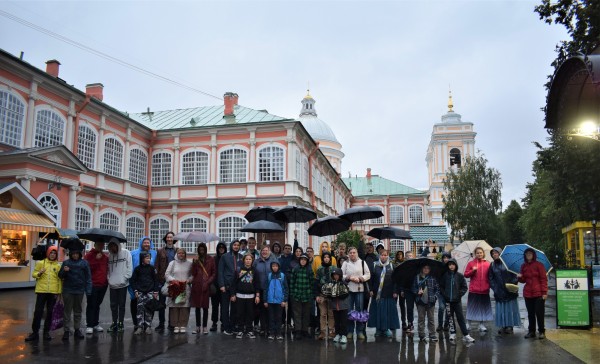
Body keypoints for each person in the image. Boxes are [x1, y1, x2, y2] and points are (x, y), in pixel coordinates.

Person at [25, 245, 62, 342]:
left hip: (53, 292)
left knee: (50, 312)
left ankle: (46, 332)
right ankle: (34, 333)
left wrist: (59, 293)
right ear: (48, 253)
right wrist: (39, 273)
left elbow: (59, 280)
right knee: (38, 312)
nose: (53, 255)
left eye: (54, 253)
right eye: (51, 253)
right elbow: (34, 274)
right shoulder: (41, 263)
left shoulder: (58, 266)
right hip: (41, 291)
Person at [58, 238, 92, 341]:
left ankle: (77, 329)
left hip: (79, 290)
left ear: (79, 254)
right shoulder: (66, 263)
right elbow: (60, 276)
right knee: (67, 311)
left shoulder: (84, 263)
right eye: (73, 253)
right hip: (68, 290)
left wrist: (88, 290)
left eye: (77, 253)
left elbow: (88, 278)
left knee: (78, 311)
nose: (75, 255)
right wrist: (64, 271)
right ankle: (66, 331)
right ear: (71, 254)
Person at [439, 258, 475, 343]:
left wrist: (459, 294)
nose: (451, 266)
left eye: (453, 264)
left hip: (457, 301)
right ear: (448, 266)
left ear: (456, 265)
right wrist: (445, 294)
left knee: (460, 318)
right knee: (450, 318)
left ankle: (466, 334)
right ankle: (453, 332)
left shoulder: (459, 276)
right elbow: (441, 286)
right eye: (449, 265)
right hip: (448, 301)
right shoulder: (445, 276)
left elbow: (464, 287)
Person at [367, 249, 400, 337]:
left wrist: (395, 291)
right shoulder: (374, 265)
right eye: (382, 255)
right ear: (379, 256)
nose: (384, 257)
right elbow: (370, 279)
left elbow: (396, 280)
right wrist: (370, 290)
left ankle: (386, 329)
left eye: (385, 255)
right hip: (377, 294)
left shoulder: (392, 266)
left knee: (387, 313)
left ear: (388, 256)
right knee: (378, 312)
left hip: (389, 294)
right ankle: (378, 329)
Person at [488, 247, 521, 335]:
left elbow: (514, 275)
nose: (494, 254)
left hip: (509, 290)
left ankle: (510, 326)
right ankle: (503, 326)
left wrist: (511, 284)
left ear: (500, 253)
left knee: (509, 308)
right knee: (501, 309)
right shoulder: (491, 265)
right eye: (493, 253)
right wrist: (495, 288)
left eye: (496, 253)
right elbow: (490, 278)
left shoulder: (508, 263)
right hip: (498, 291)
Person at [518, 247, 548, 340]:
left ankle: (542, 331)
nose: (528, 255)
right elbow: (523, 281)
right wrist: (520, 277)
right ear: (525, 256)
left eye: (530, 254)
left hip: (538, 293)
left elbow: (543, 279)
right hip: (528, 293)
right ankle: (531, 331)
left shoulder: (539, 265)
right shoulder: (523, 266)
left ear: (533, 255)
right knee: (530, 313)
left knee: (539, 313)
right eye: (527, 254)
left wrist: (544, 292)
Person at [341, 246, 370, 340]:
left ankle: (359, 331)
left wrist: (361, 278)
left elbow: (368, 274)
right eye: (351, 253)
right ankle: (350, 331)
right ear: (348, 254)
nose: (352, 254)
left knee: (359, 310)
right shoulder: (345, 263)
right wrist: (349, 277)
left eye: (354, 252)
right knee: (349, 311)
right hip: (349, 290)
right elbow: (341, 275)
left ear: (357, 253)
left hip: (359, 289)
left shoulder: (362, 262)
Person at [129, 236, 157, 331]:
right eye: (144, 242)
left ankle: (148, 325)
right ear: (141, 243)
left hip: (149, 285)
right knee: (136, 305)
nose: (146, 244)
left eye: (148, 242)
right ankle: (137, 324)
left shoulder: (154, 253)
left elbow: (155, 270)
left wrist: (155, 289)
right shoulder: (133, 253)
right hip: (137, 284)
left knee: (149, 306)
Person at [231, 253, 260, 339]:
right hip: (239, 295)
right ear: (244, 260)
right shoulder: (238, 270)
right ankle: (240, 330)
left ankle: (249, 330)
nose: (248, 261)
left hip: (251, 296)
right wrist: (233, 294)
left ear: (252, 261)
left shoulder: (255, 271)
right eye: (246, 259)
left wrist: (257, 295)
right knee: (240, 313)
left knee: (250, 314)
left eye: (250, 259)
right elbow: (233, 283)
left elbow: (257, 284)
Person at [464, 247, 493, 332]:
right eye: (477, 253)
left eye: (481, 253)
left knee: (482, 308)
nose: (479, 254)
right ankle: (468, 323)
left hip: (484, 290)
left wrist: (489, 285)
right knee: (471, 307)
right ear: (475, 254)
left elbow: (491, 276)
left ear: (483, 253)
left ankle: (481, 324)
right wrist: (472, 271)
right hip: (474, 290)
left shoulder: (488, 264)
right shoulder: (471, 263)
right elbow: (465, 275)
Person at [218, 239, 243, 335]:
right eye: (235, 245)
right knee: (225, 308)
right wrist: (221, 285)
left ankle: (233, 325)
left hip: (236, 286)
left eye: (238, 245)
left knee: (234, 308)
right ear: (231, 246)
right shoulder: (225, 256)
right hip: (226, 285)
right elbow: (220, 271)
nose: (236, 246)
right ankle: (226, 326)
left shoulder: (241, 257)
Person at [107, 239, 132, 333]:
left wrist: (125, 278)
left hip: (122, 284)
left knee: (121, 305)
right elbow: (108, 270)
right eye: (111, 246)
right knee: (113, 305)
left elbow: (130, 267)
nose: (113, 248)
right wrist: (109, 280)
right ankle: (114, 323)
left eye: (114, 246)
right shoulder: (109, 256)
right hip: (113, 285)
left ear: (117, 245)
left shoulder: (126, 253)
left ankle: (121, 323)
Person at [165, 248, 192, 333]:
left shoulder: (189, 264)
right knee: (175, 307)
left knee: (184, 307)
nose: (181, 255)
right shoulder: (172, 263)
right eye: (179, 253)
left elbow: (193, 275)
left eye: (183, 253)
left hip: (185, 288)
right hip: (175, 288)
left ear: (185, 254)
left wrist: (189, 280)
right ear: (177, 254)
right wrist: (173, 280)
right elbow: (167, 274)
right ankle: (176, 325)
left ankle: (183, 325)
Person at [190, 243, 216, 335]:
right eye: (200, 249)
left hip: (206, 286)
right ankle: (197, 326)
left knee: (205, 307)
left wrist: (208, 282)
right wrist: (194, 263)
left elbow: (213, 273)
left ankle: (204, 327)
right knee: (197, 307)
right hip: (197, 285)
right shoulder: (196, 260)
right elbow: (193, 273)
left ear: (205, 249)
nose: (201, 250)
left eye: (203, 249)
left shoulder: (211, 259)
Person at [84, 241, 108, 334]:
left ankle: (95, 323)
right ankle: (89, 325)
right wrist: (96, 260)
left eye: (102, 245)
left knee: (97, 304)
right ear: (95, 245)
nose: (101, 246)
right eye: (99, 244)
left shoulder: (105, 256)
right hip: (93, 284)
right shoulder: (89, 255)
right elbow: (87, 269)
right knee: (91, 304)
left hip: (103, 285)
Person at [154, 231, 177, 333]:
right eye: (168, 237)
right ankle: (161, 323)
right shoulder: (160, 251)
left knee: (172, 303)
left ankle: (172, 324)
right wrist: (157, 280)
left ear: (173, 239)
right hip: (162, 280)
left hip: (173, 279)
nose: (169, 239)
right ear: (165, 239)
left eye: (171, 237)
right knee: (161, 303)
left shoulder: (177, 251)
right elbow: (156, 266)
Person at [253, 245, 278, 336]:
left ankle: (270, 328)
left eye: (266, 250)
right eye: (263, 250)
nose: (264, 252)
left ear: (269, 251)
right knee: (261, 310)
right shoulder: (256, 262)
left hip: (270, 290)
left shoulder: (272, 262)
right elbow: (253, 275)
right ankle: (263, 328)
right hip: (259, 289)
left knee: (270, 310)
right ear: (260, 252)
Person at [412, 264, 439, 342]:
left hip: (431, 301)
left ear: (430, 269)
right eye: (424, 268)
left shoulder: (433, 278)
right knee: (421, 318)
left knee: (431, 319)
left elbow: (437, 289)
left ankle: (432, 334)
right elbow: (413, 288)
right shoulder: (417, 277)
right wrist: (417, 292)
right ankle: (421, 334)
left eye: (428, 268)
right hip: (420, 301)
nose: (426, 269)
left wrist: (435, 297)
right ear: (421, 269)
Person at [323, 267, 350, 344]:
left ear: (340, 275)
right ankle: (338, 334)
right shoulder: (330, 284)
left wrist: (338, 295)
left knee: (343, 321)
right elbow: (327, 293)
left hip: (343, 306)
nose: (336, 276)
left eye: (337, 275)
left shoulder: (344, 283)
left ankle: (344, 335)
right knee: (337, 321)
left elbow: (346, 294)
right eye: (334, 275)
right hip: (334, 306)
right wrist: (330, 295)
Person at [290, 254, 314, 339]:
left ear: (307, 261)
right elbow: (292, 282)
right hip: (297, 295)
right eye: (301, 259)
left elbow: (312, 283)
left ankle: (305, 330)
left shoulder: (309, 269)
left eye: (305, 260)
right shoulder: (295, 269)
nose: (303, 261)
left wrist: (311, 293)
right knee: (297, 314)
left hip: (307, 295)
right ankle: (298, 331)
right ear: (299, 260)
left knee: (306, 314)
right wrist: (292, 293)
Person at [264, 261, 288, 340]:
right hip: (270, 301)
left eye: (276, 266)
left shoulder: (282, 276)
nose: (275, 267)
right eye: (273, 266)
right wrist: (265, 300)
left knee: (279, 317)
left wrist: (284, 300)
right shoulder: (269, 276)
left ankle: (279, 333)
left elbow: (286, 289)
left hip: (279, 301)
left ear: (279, 267)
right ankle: (271, 333)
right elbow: (266, 289)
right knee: (271, 317)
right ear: (271, 267)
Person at [315, 251, 335, 340]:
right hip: (322, 294)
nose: (326, 259)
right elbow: (316, 282)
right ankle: (322, 332)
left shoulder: (333, 268)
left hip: (331, 295)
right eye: (325, 257)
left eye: (328, 257)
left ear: (330, 259)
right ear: (323, 259)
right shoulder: (319, 269)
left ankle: (331, 331)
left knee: (331, 314)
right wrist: (317, 295)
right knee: (323, 314)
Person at [210, 242, 227, 332]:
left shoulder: (227, 258)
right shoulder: (214, 259)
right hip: (215, 286)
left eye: (223, 247)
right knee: (215, 306)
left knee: (224, 306)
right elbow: (211, 272)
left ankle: (223, 322)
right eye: (219, 247)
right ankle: (214, 323)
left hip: (224, 285)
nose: (221, 249)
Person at [391, 250, 407, 331]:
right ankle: (393, 322)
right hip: (395, 287)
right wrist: (394, 290)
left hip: (403, 287)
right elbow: (393, 277)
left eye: (401, 254)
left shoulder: (405, 264)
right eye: (398, 254)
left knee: (402, 306)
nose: (400, 256)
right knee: (393, 306)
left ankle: (404, 322)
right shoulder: (393, 264)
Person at [401, 250, 416, 332]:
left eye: (410, 255)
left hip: (416, 290)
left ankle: (422, 326)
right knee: (409, 308)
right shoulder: (403, 266)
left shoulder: (416, 265)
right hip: (407, 290)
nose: (409, 257)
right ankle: (410, 323)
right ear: (405, 257)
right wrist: (402, 290)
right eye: (408, 256)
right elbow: (401, 280)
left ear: (413, 256)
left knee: (420, 308)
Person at [437, 252, 451, 332]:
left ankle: (446, 324)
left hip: (449, 292)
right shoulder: (440, 267)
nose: (446, 259)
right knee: (441, 308)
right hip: (441, 292)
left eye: (447, 257)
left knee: (448, 309)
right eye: (444, 257)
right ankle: (440, 325)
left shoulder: (452, 267)